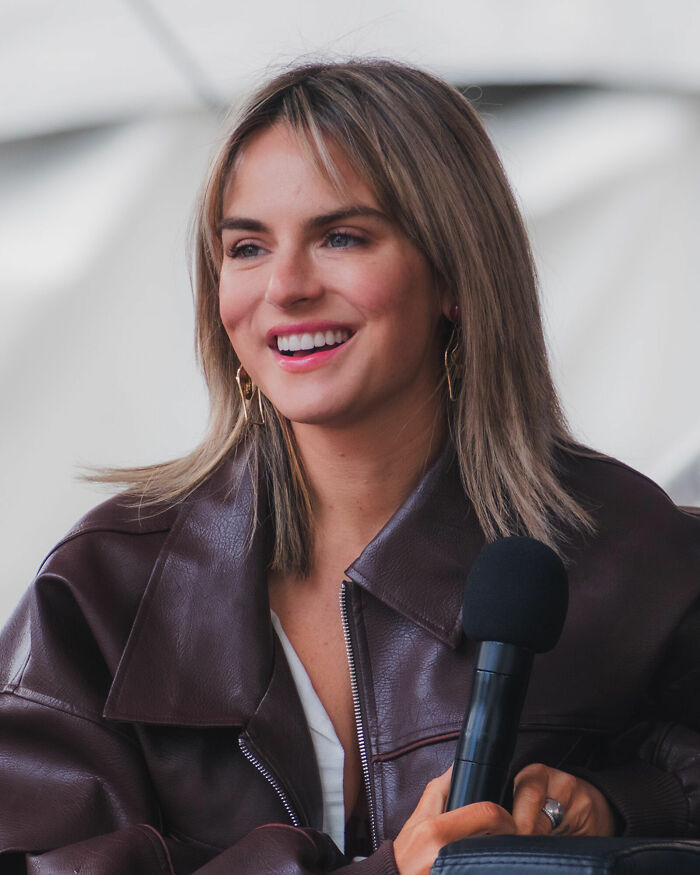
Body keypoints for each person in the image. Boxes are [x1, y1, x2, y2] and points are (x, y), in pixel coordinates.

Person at [1, 59, 699, 875]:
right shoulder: (107, 581)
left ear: (456, 275)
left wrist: (615, 806)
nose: (286, 286)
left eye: (342, 237)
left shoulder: (621, 542)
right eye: (248, 246)